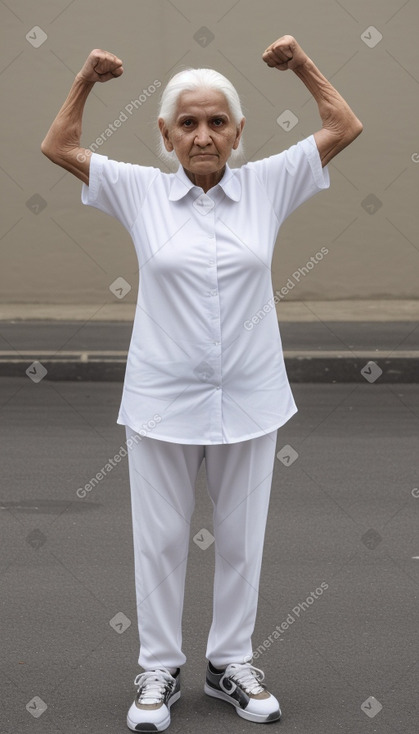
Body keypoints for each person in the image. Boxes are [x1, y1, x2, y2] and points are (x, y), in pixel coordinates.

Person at [41, 35, 362, 732]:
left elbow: (342, 126)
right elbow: (59, 145)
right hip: (161, 400)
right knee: (159, 541)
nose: (203, 134)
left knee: (241, 540)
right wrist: (87, 78)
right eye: (187, 122)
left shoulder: (270, 183)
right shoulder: (139, 191)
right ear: (164, 134)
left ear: (239, 131)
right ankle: (157, 666)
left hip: (250, 396)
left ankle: (228, 666)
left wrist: (302, 64)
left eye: (217, 121)